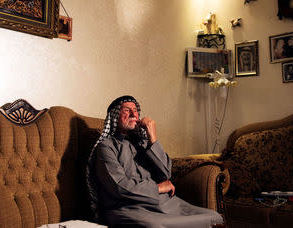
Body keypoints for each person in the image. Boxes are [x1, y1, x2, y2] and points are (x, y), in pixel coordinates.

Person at [86, 96, 224, 228]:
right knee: (154, 226)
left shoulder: (143, 143)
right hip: (129, 207)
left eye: (136, 111)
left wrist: (152, 137)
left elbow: (166, 173)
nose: (134, 114)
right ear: (115, 117)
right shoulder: (106, 147)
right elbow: (119, 187)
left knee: (214, 217)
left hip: (164, 203)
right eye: (127, 110)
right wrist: (158, 188)